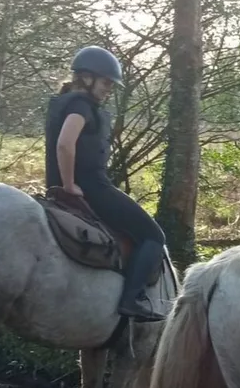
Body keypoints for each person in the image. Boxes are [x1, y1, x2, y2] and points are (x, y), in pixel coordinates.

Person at [45, 46, 167, 322]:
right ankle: (131, 299)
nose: (108, 89)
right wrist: (69, 186)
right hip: (92, 187)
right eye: (105, 83)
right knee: (154, 236)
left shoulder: (63, 102)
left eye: (111, 84)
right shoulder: (80, 106)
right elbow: (65, 144)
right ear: (86, 78)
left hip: (67, 184)